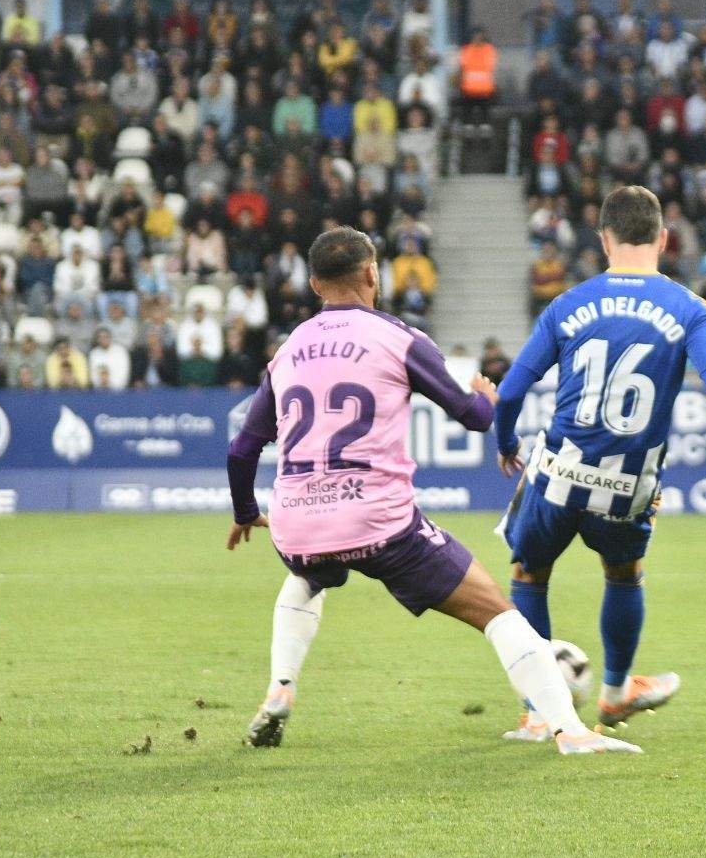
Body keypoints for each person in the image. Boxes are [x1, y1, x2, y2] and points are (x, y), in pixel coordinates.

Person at [225, 227, 637, 756]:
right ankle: (570, 732)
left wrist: (245, 512)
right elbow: (470, 416)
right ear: (374, 273)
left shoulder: (286, 353)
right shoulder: (399, 338)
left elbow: (242, 450)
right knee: (499, 612)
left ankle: (281, 686)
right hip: (381, 524)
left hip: (297, 522)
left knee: (307, 576)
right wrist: (486, 398)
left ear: (312, 284)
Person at [491, 186, 706, 742]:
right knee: (623, 573)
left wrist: (505, 439)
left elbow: (512, 389)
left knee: (528, 575)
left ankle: (539, 712)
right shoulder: (691, 309)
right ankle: (614, 694)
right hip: (628, 483)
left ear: (603, 240)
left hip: (559, 471)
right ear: (662, 238)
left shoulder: (567, 304)